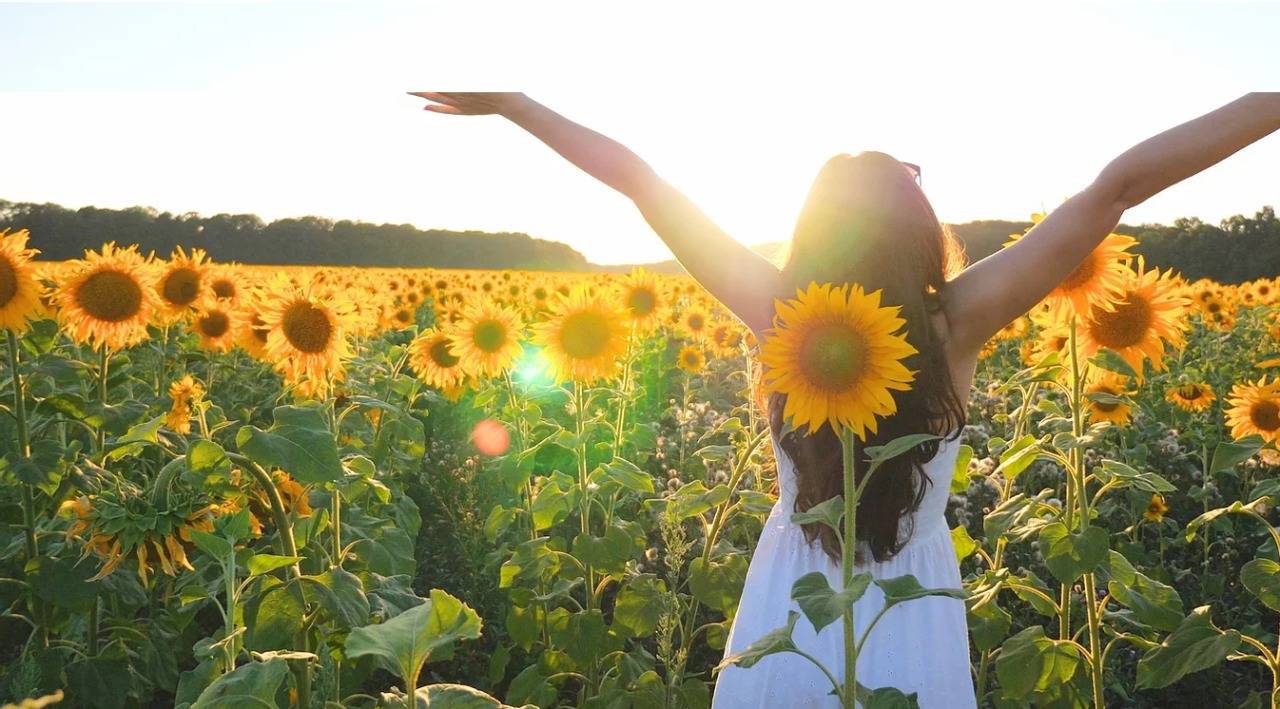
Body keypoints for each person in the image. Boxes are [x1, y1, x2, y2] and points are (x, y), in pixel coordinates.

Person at [408, 91, 1280, 707]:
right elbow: (1115, 188)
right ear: (917, 228)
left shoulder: (776, 310)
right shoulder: (957, 324)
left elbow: (646, 184)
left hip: (790, 595)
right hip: (916, 598)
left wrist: (519, 105)